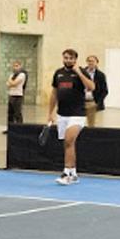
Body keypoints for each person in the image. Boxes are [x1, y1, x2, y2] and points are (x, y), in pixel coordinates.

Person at [47, 48, 94, 185]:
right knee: (68, 144)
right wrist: (50, 113)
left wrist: (79, 73)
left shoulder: (82, 72)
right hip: (62, 114)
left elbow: (91, 87)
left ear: (75, 59)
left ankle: (66, 173)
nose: (68, 60)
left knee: (69, 140)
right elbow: (54, 93)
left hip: (77, 114)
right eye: (66, 58)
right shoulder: (58, 73)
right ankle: (73, 173)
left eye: (71, 58)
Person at [83, 55, 108, 127]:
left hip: (93, 102)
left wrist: (98, 102)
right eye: (89, 61)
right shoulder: (81, 73)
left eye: (93, 61)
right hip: (82, 102)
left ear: (96, 62)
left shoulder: (101, 75)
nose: (91, 63)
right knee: (80, 123)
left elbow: (105, 91)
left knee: (93, 125)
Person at [7, 60, 27, 124]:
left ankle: (20, 128)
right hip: (11, 95)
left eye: (17, 66)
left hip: (18, 96)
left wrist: (10, 82)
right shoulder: (12, 75)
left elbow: (14, 83)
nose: (15, 67)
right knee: (10, 114)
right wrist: (11, 83)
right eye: (14, 66)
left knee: (17, 113)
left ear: (20, 66)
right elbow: (8, 85)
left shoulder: (22, 75)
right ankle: (10, 129)